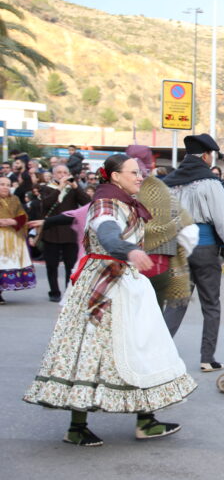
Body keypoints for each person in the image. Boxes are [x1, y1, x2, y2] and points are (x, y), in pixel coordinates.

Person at [23, 154, 196, 447]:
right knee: (92, 351)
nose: (140, 176)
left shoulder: (121, 201)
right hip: (105, 283)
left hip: (126, 282)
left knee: (143, 346)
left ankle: (146, 420)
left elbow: (85, 218)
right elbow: (107, 232)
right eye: (133, 172)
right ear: (115, 176)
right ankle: (78, 427)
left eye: (141, 172)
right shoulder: (106, 203)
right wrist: (127, 250)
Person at [163, 134, 224, 372]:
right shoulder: (211, 182)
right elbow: (223, 222)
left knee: (176, 304)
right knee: (211, 304)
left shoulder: (169, 182)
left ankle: (157, 352)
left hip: (177, 248)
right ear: (207, 156)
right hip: (205, 249)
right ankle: (207, 358)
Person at [127, 145, 197, 318]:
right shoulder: (163, 191)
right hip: (159, 265)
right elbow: (189, 231)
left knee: (129, 318)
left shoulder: (118, 191)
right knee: (153, 319)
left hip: (125, 266)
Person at [38, 164, 91, 302]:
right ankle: (54, 291)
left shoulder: (73, 189)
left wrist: (75, 187)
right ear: (54, 175)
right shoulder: (46, 188)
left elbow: (88, 203)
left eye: (65, 172)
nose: (62, 175)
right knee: (51, 265)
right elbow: (46, 204)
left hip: (69, 232)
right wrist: (60, 188)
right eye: (59, 172)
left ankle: (69, 290)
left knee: (70, 264)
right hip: (51, 232)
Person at [0, 177, 36, 304]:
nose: (5, 187)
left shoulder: (14, 199)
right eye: (2, 184)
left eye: (7, 185)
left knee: (6, 264)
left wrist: (14, 221)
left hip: (11, 237)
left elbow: (23, 215)